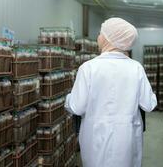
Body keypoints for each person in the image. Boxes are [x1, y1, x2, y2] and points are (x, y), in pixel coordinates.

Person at [65, 17, 157, 167]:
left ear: (110, 38)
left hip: (96, 139)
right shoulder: (136, 68)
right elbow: (149, 104)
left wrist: (68, 99)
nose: (98, 37)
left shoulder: (88, 68)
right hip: (127, 139)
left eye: (101, 33)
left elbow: (77, 107)